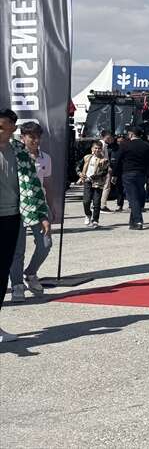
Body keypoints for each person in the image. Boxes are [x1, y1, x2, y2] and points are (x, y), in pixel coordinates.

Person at [0, 109, 51, 342]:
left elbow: (33, 186)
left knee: (3, 272)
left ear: (13, 128)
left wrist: (42, 215)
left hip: (12, 216)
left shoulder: (20, 152)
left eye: (2, 127)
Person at [8, 122, 55, 302]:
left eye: (38, 137)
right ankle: (17, 285)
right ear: (23, 137)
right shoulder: (14, 155)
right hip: (16, 207)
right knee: (17, 249)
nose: (35, 140)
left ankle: (30, 273)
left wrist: (52, 206)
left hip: (39, 206)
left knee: (45, 243)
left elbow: (47, 184)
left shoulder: (45, 158)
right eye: (31, 137)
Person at [113, 127, 149, 230]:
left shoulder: (125, 145)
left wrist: (114, 174)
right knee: (138, 196)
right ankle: (132, 221)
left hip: (128, 173)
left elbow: (118, 160)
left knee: (133, 198)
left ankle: (138, 221)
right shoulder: (147, 146)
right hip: (142, 174)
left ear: (131, 134)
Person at [77, 141, 109, 228]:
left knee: (96, 202)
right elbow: (78, 166)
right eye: (95, 148)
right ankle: (88, 214)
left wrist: (93, 177)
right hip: (87, 181)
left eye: (99, 148)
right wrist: (79, 173)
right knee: (86, 201)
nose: (97, 150)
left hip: (98, 183)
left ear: (101, 149)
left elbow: (104, 172)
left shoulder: (104, 160)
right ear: (92, 149)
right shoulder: (87, 157)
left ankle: (95, 220)